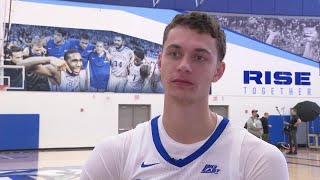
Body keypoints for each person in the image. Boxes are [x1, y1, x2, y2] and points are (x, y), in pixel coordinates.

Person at [81, 12, 288, 179]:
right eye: (174, 54)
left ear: (218, 71)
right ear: (160, 63)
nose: (184, 66)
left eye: (199, 57)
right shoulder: (112, 155)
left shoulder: (260, 160)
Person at [18, 49, 90, 92]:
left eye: (80, 60)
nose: (79, 64)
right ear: (65, 62)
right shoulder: (57, 71)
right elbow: (20, 65)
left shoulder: (82, 72)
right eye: (74, 61)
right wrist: (49, 59)